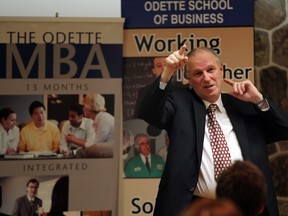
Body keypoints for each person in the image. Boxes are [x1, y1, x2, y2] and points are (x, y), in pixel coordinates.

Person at [138, 45, 288, 216]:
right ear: (188, 78)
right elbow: (147, 112)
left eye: (211, 70)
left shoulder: (244, 105)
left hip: (247, 208)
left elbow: (284, 129)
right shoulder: (179, 103)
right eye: (198, 74)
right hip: (197, 208)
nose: (207, 78)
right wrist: (167, 73)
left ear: (221, 70)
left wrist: (259, 100)